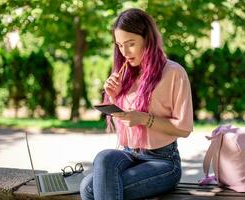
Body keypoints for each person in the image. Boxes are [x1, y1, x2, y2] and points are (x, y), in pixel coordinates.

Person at [80, 8, 193, 200]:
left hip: (163, 161)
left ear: (147, 39)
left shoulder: (174, 73)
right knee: (103, 158)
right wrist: (114, 98)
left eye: (130, 44)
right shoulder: (125, 74)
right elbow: (126, 126)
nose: (124, 52)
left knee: (90, 189)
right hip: (129, 154)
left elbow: (184, 129)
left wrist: (144, 119)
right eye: (119, 45)